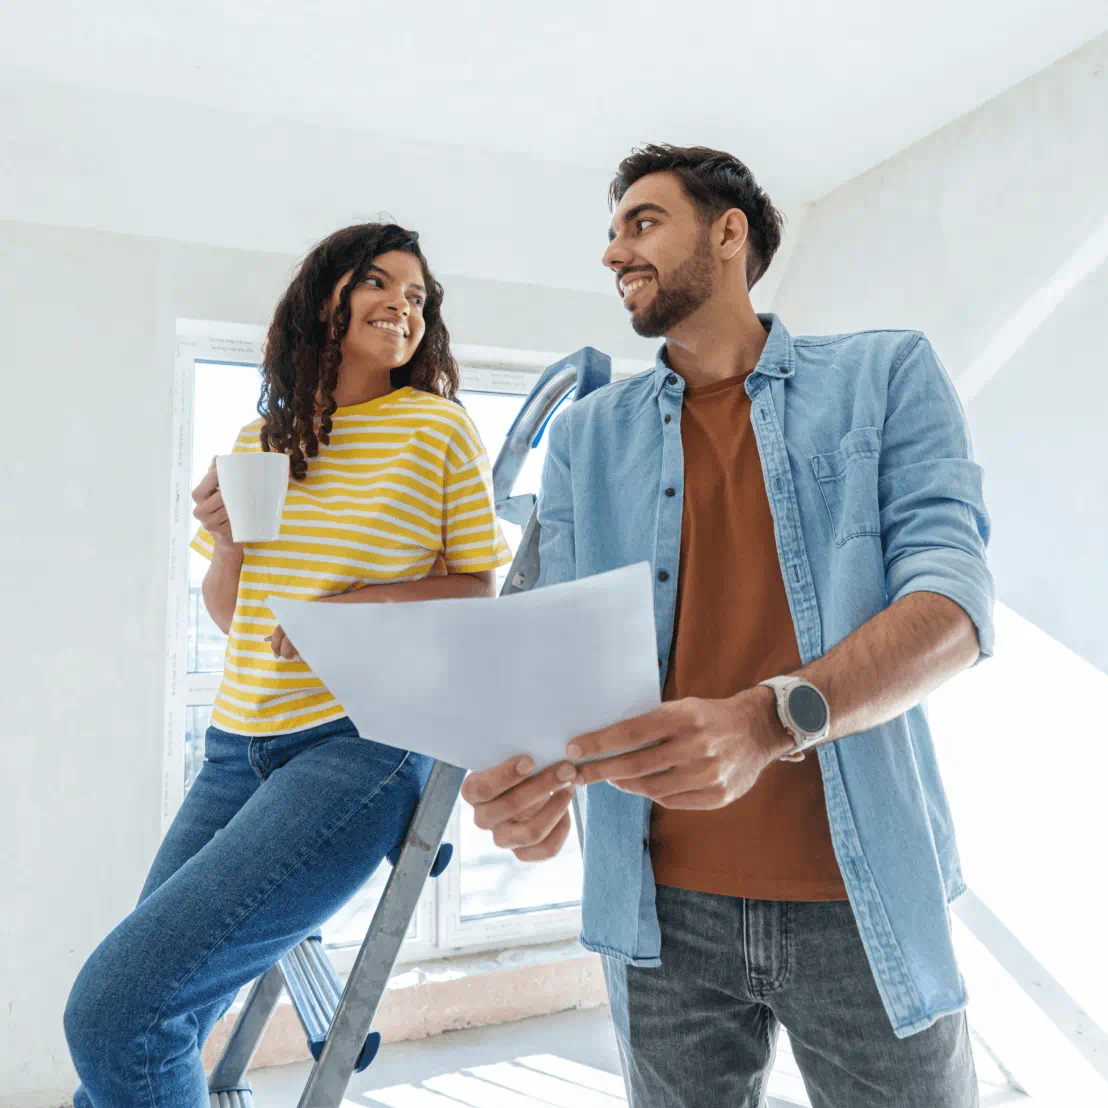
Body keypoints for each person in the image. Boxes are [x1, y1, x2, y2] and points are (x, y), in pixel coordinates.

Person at [462, 145, 993, 1108]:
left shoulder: (885, 377)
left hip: (859, 898)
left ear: (729, 232)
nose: (615, 249)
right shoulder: (587, 437)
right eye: (614, 230)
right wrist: (531, 781)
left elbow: (953, 607)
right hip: (660, 919)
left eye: (643, 222)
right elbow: (559, 654)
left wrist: (767, 721)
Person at [64, 222, 512, 1106]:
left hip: (361, 747)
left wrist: (349, 616)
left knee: (116, 1013)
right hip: (238, 749)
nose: (403, 305)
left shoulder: (436, 428)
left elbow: (476, 593)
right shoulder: (263, 438)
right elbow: (237, 617)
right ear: (326, 299)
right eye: (380, 283)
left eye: (418, 297)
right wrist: (228, 544)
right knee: (151, 1025)